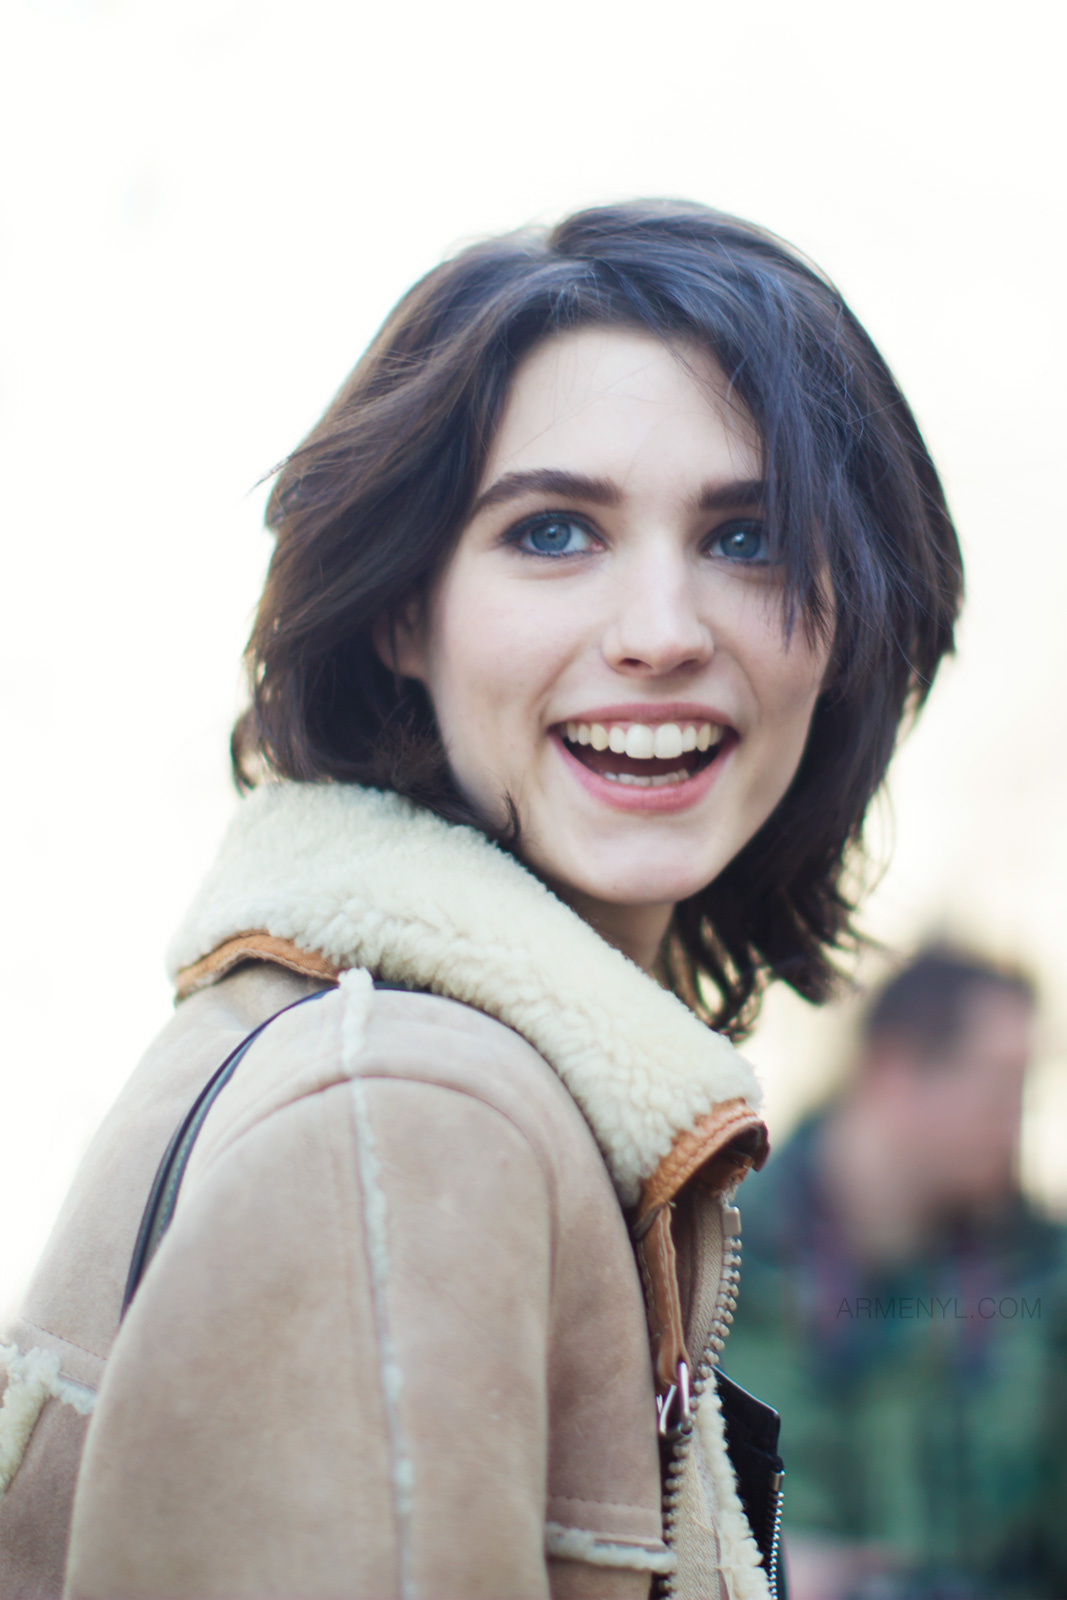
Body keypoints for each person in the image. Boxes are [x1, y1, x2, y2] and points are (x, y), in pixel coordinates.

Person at [0, 202, 962, 1600]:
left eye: (745, 537)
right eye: (554, 531)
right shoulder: (405, 1120)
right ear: (404, 609)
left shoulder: (391, 1050)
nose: (658, 632)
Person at [726, 947, 1067, 1600]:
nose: (1015, 1120)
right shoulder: (717, 1260)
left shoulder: (1039, 1281)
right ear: (895, 1069)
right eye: (999, 1084)